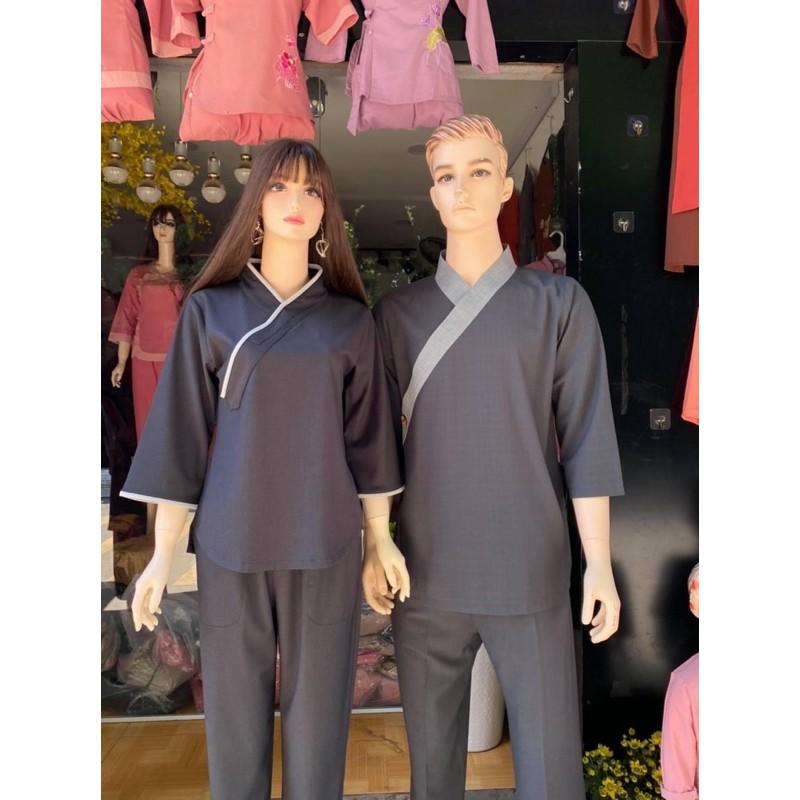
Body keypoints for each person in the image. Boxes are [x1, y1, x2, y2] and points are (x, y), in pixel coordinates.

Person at [121, 139, 404, 800]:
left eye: (311, 189)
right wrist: (163, 553)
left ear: (326, 209)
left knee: (320, 719)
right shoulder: (209, 311)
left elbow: (368, 440)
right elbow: (180, 437)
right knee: (234, 720)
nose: (296, 201)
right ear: (255, 204)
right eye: (279, 186)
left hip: (325, 540)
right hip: (232, 539)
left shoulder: (349, 321)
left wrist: (379, 539)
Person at [365, 115, 625, 800]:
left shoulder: (558, 304)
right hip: (425, 575)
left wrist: (598, 560)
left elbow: (587, 436)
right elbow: (375, 447)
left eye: (479, 171)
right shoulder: (396, 317)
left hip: (529, 570)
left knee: (551, 770)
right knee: (432, 772)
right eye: (447, 176)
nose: (463, 188)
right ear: (432, 194)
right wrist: (374, 543)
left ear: (506, 186)